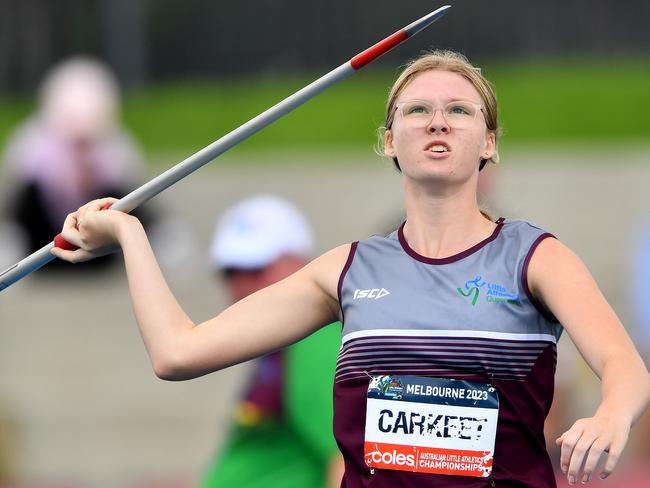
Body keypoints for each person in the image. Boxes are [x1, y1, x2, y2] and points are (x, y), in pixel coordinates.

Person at [50, 50, 650, 487]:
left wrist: (612, 413)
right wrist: (129, 234)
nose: (438, 121)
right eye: (417, 110)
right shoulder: (347, 271)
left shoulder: (534, 257)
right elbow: (177, 354)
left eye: (459, 111)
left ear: (489, 142)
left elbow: (625, 364)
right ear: (389, 140)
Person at [201, 195, 344, 488]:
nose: (240, 285)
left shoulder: (315, 340)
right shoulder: (290, 342)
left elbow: (345, 458)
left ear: (301, 265)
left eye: (256, 269)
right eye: (230, 272)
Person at [1, 56, 147, 268]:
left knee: (125, 196)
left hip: (98, 255)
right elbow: (15, 200)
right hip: (43, 248)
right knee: (27, 192)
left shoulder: (115, 148)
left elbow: (134, 190)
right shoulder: (31, 147)